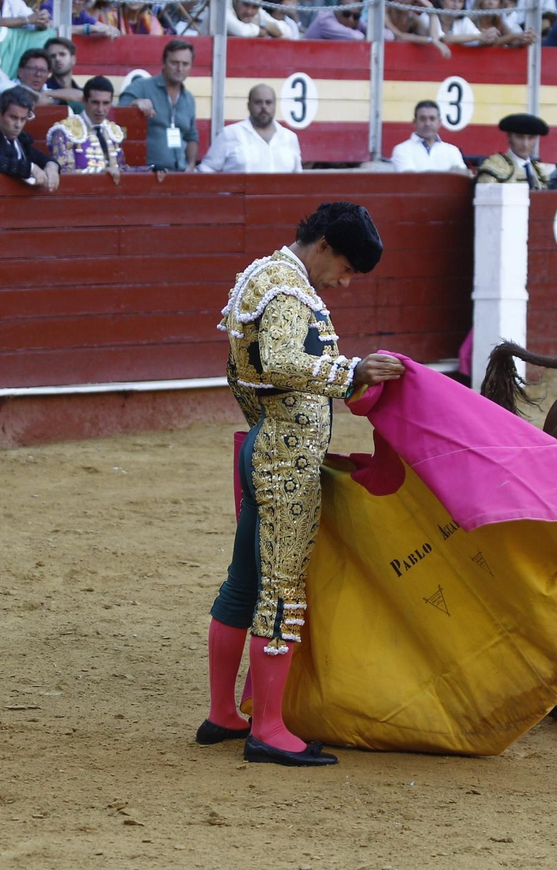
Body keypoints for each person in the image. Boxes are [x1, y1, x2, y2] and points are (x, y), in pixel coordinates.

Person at [206, 202, 402, 767]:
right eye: (345, 269)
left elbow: (248, 369)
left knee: (244, 581)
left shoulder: (263, 275)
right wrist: (352, 371)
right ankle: (267, 727)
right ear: (323, 246)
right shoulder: (288, 292)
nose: (343, 283)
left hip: (262, 441)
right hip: (285, 457)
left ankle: (224, 712)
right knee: (282, 588)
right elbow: (284, 361)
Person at [119, 39, 197, 171]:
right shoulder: (142, 87)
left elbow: (191, 136)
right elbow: (116, 115)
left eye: (185, 64)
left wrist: (191, 165)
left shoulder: (188, 98)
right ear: (163, 62)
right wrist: (134, 103)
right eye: (174, 63)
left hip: (180, 174)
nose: (180, 68)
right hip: (148, 174)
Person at [198, 84, 303, 173]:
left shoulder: (290, 138)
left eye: (268, 102)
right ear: (248, 105)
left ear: (275, 105)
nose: (264, 107)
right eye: (258, 102)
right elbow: (206, 170)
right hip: (238, 197)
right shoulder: (229, 134)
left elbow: (298, 178)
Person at [46, 75, 127, 179]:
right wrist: (100, 172)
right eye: (95, 102)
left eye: (106, 103)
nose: (100, 109)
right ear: (84, 100)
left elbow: (122, 170)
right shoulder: (64, 131)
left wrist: (151, 170)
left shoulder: (113, 131)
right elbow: (64, 175)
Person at [388, 100, 468, 173]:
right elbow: (411, 181)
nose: (427, 124)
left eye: (432, 119)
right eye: (423, 119)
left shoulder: (452, 151)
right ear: (414, 122)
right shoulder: (402, 150)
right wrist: (448, 174)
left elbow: (462, 180)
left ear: (439, 122)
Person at [475, 112, 549, 187]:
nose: (525, 144)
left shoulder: (539, 172)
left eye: (531, 138)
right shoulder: (495, 167)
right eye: (520, 137)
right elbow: (485, 196)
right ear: (509, 137)